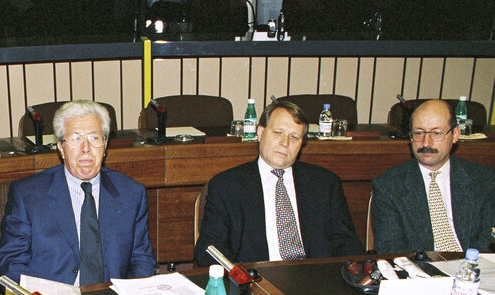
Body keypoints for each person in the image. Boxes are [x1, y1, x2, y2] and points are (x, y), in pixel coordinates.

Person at [0, 99, 156, 286]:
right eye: (75, 138)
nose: (86, 148)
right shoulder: (28, 195)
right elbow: (10, 266)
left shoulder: (131, 193)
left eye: (94, 138)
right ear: (61, 148)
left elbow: (141, 260)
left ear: (105, 145)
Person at [195, 100, 363, 266]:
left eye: (294, 137)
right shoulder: (226, 187)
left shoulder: (325, 183)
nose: (285, 143)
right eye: (278, 133)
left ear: (302, 144)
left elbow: (347, 244)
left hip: (316, 280)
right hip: (257, 281)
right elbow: (210, 251)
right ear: (260, 133)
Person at [372, 99, 495, 254]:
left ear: (455, 134)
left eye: (436, 133)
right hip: (422, 272)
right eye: (419, 133)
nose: (426, 143)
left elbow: (489, 241)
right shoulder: (389, 185)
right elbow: (391, 249)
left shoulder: (485, 180)